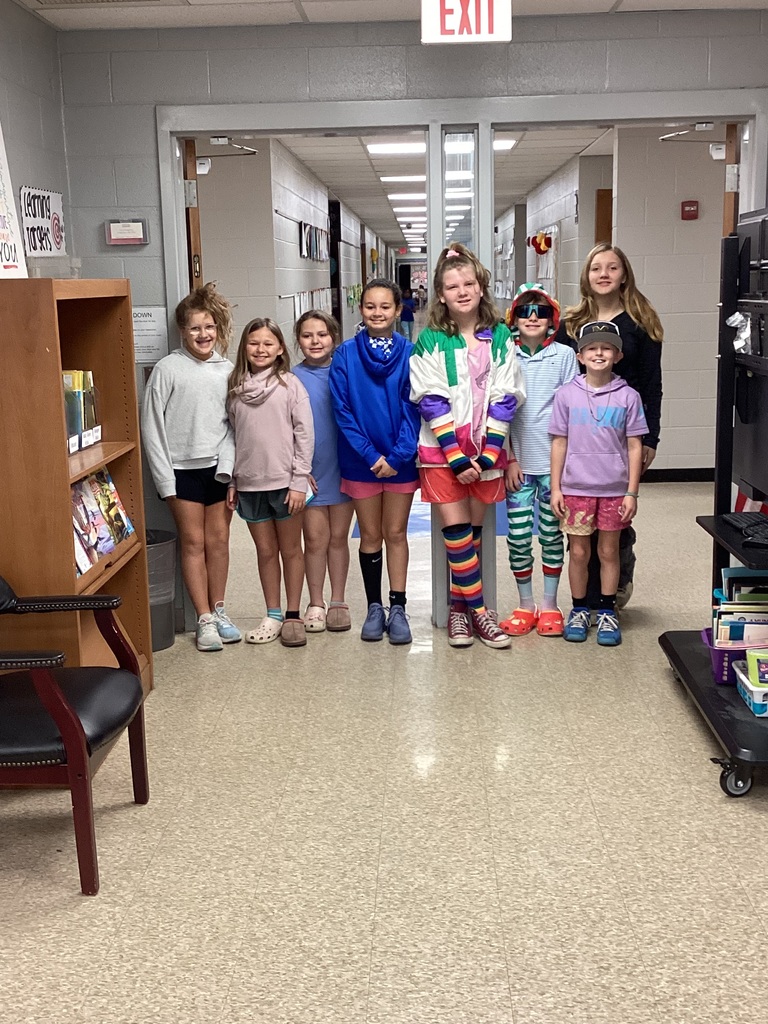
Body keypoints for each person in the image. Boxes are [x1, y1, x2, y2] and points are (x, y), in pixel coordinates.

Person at [410, 244, 526, 650]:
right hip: (443, 455)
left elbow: (506, 395)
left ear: (481, 288)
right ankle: (481, 614)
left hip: (487, 453)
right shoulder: (429, 341)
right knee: (456, 534)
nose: (461, 291)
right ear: (440, 294)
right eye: (451, 286)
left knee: (473, 536)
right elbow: (430, 399)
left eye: (468, 283)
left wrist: (490, 453)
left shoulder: (500, 338)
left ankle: (460, 612)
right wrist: (457, 457)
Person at [554, 243, 663, 609]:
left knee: (616, 518)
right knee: (582, 525)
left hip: (624, 431)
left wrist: (651, 437)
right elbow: (561, 376)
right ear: (586, 276)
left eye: (612, 267)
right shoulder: (570, 323)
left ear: (624, 274)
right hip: (582, 432)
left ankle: (615, 587)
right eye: (596, 268)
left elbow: (651, 383)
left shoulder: (641, 321)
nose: (604, 274)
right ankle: (586, 597)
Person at [142, 282, 241, 653]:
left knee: (218, 541)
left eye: (210, 327)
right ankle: (203, 619)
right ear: (182, 330)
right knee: (194, 542)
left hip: (218, 470)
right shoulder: (168, 370)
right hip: (180, 472)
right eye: (196, 328)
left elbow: (235, 427)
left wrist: (229, 471)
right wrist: (165, 480)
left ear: (218, 329)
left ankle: (219, 610)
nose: (204, 334)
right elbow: (151, 427)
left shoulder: (228, 371)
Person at [329, 278, 420, 645]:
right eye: (370, 306)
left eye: (385, 307)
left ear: (398, 310)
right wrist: (370, 455)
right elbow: (342, 409)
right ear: (361, 309)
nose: (377, 313)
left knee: (395, 533)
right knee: (369, 535)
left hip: (401, 460)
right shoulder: (345, 355)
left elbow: (417, 406)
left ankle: (398, 607)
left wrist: (397, 455)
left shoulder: (412, 353)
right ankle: (374, 607)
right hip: (359, 460)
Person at [549, 321, 648, 647]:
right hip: (576, 489)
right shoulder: (566, 395)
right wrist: (557, 487)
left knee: (608, 551)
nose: (599, 353)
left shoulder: (628, 397)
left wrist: (631, 491)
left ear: (618, 355)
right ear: (581, 356)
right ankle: (579, 609)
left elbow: (635, 446)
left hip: (613, 491)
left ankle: (607, 610)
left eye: (606, 348)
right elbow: (559, 442)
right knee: (578, 552)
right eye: (592, 348)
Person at [226, 318, 314, 649]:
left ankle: (293, 614)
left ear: (280, 349)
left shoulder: (290, 386)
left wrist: (299, 479)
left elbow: (305, 434)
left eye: (268, 343)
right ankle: (273, 614)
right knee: (265, 551)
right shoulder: (235, 388)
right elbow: (233, 437)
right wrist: (233, 480)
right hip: (249, 484)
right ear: (244, 348)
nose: (260, 349)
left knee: (291, 549)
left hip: (286, 484)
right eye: (253, 343)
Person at [499, 283, 578, 638]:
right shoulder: (504, 355)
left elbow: (570, 414)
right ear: (513, 318)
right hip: (518, 465)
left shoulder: (564, 357)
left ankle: (550, 604)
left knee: (550, 534)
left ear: (553, 320)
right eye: (525, 311)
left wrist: (560, 474)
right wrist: (510, 458)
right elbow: (500, 413)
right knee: (517, 537)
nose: (533, 317)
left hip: (553, 469)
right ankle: (525, 603)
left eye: (541, 312)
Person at [292, 310, 354, 633]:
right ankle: (315, 601)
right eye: (307, 336)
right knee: (315, 539)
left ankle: (339, 599)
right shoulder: (290, 378)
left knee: (339, 538)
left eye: (322, 335)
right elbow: (282, 428)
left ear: (333, 338)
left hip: (343, 466)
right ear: (298, 341)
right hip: (310, 472)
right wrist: (297, 472)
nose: (315, 341)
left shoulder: (345, 372)